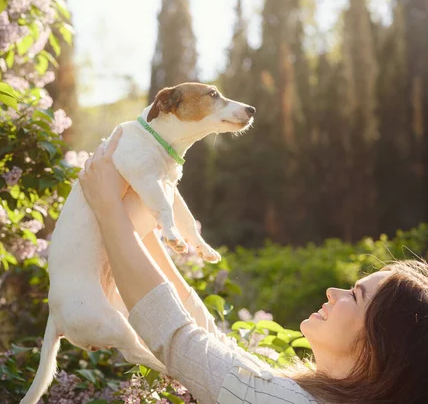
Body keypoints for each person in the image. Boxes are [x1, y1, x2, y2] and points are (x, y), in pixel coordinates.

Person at [77, 127, 428, 404]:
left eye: (355, 296)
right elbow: (207, 336)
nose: (333, 293)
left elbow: (177, 338)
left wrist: (109, 207)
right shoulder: (305, 393)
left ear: (380, 345)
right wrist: (143, 230)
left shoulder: (286, 400)